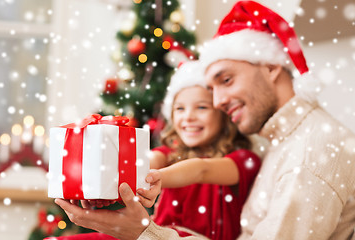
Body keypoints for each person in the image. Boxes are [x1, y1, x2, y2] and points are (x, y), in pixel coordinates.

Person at [55, 1, 355, 239]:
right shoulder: (283, 144)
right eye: (211, 89)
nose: (218, 102)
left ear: (271, 67)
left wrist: (144, 234)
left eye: (226, 79)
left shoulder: (309, 151)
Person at [143, 60, 261, 240]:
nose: (188, 117)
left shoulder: (245, 160)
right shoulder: (171, 153)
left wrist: (156, 179)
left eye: (201, 107)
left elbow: (201, 170)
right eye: (180, 108)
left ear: (223, 115)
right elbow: (149, 160)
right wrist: (128, 172)